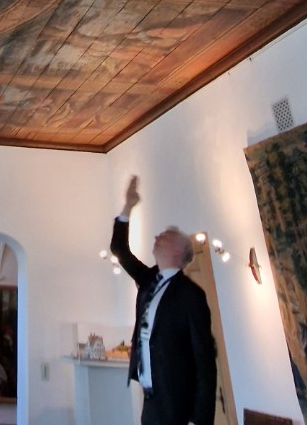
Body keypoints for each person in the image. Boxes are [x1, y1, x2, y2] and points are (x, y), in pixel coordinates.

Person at [110, 176, 216, 425]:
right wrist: (127, 207)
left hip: (178, 404)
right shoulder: (149, 280)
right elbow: (120, 250)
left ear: (179, 250)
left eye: (165, 236)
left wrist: (199, 420)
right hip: (152, 400)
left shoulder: (190, 294)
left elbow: (204, 361)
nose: (157, 236)